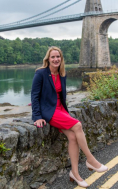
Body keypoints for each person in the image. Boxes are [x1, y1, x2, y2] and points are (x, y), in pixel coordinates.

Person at [31, 46, 108, 188]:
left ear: (61, 58)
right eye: (53, 57)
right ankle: (91, 160)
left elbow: (61, 96)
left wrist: (64, 111)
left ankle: (75, 173)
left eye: (58, 57)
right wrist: (37, 116)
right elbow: (34, 96)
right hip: (50, 111)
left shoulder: (62, 74)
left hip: (61, 110)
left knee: (73, 137)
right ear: (48, 59)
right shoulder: (40, 73)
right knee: (78, 125)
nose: (55, 59)